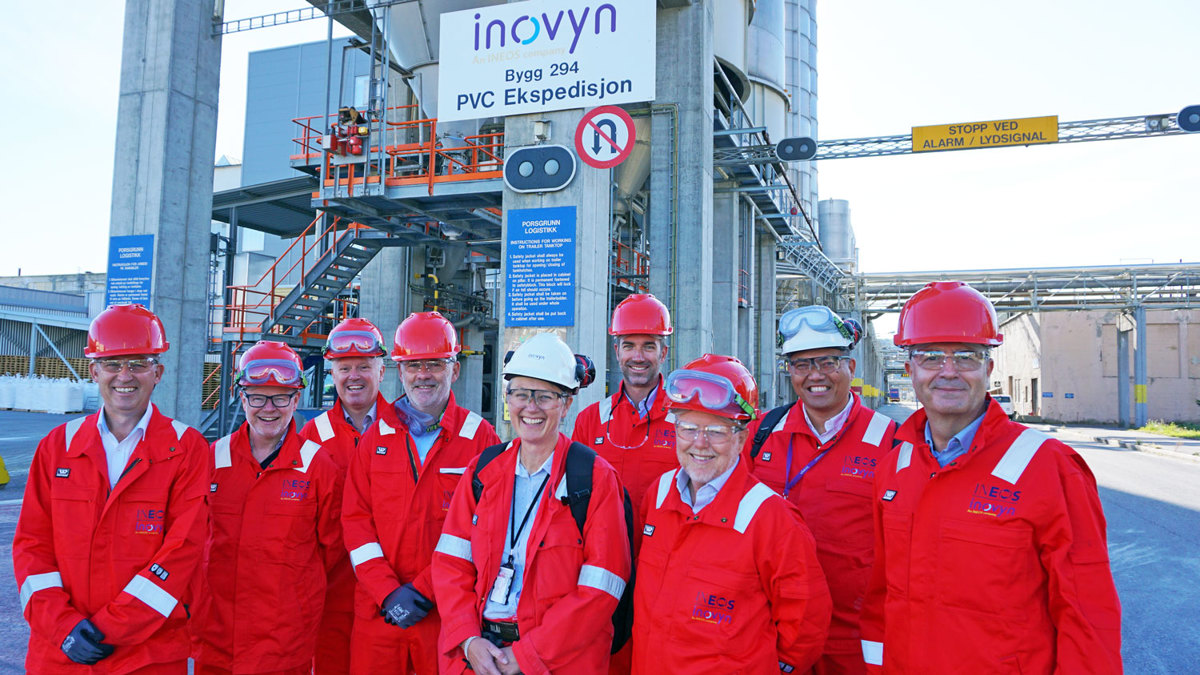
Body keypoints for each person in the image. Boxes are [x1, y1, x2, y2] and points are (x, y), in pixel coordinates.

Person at [859, 281, 1123, 673]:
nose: (948, 372)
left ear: (989, 367)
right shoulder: (894, 470)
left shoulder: (1049, 467)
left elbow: (1087, 613)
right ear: (909, 367)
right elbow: (883, 597)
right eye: (931, 356)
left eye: (966, 356)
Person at [13, 303, 209, 673]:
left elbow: (181, 553)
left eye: (137, 363)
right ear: (94, 371)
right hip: (61, 653)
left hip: (147, 656)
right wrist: (63, 626)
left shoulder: (187, 449)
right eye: (113, 364)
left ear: (158, 372)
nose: (124, 376)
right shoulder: (58, 447)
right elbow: (31, 545)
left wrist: (107, 629)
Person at [432, 333, 630, 675]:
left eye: (545, 396)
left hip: (559, 662)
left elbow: (600, 591)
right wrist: (467, 639)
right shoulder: (483, 471)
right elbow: (451, 564)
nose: (531, 407)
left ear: (567, 404)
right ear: (508, 398)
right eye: (521, 394)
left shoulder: (594, 479)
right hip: (478, 656)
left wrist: (526, 656)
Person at [632, 354, 832, 674]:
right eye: (688, 427)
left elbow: (806, 622)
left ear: (741, 439)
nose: (700, 443)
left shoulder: (772, 519)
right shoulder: (658, 495)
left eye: (717, 431)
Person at [341, 311, 499, 674]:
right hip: (380, 613)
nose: (422, 375)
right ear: (399, 371)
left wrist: (425, 590)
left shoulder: (481, 439)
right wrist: (387, 592)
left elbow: (485, 530)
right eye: (413, 365)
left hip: (447, 614)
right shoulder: (374, 439)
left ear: (454, 370)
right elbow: (356, 524)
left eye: (434, 364)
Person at [748, 306, 897, 675]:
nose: (815, 375)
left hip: (851, 639)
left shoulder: (892, 444)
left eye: (828, 362)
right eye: (801, 365)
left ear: (851, 366)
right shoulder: (762, 434)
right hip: (773, 629)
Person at [191, 340, 344, 675]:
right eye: (258, 397)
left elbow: (331, 553)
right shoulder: (212, 461)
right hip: (217, 638)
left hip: (284, 643)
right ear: (242, 398)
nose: (269, 409)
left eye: (281, 397)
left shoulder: (318, 466)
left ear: (296, 399)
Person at [299, 317, 401, 674]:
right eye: (344, 367)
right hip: (333, 598)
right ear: (331, 372)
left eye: (364, 366)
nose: (353, 376)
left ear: (382, 370)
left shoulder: (407, 429)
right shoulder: (311, 437)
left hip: (394, 593)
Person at [571, 293, 677, 543]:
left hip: (664, 560)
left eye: (649, 346)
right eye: (629, 345)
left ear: (663, 354)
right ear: (617, 351)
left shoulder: (685, 421)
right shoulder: (590, 421)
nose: (638, 357)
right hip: (603, 558)